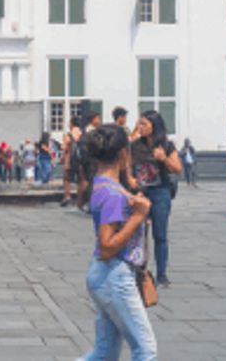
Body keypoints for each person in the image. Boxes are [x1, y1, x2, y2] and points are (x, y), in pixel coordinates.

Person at [81, 123, 157, 360]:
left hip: (105, 275)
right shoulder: (112, 193)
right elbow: (106, 246)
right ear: (124, 153)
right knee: (145, 349)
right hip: (114, 274)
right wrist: (137, 216)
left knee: (104, 354)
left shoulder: (102, 184)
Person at [130, 110, 180, 286]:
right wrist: (131, 180)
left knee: (160, 234)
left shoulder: (166, 146)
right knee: (138, 233)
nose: (140, 127)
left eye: (144, 124)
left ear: (154, 126)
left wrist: (164, 158)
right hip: (140, 192)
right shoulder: (135, 146)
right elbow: (127, 168)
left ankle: (161, 274)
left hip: (160, 191)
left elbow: (177, 169)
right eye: (139, 123)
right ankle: (139, 269)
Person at [61, 120, 83, 207]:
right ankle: (80, 198)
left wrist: (63, 157)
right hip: (81, 160)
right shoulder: (82, 133)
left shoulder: (68, 135)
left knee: (67, 178)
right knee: (81, 179)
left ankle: (67, 196)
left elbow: (64, 147)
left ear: (72, 124)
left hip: (70, 159)